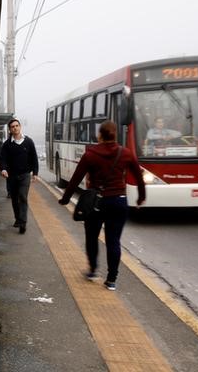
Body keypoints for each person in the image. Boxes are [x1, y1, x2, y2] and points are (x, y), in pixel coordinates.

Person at [58, 121, 146, 291]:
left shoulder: (91, 154)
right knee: (113, 241)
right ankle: (111, 280)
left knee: (92, 237)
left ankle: (92, 270)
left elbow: (76, 178)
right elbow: (139, 177)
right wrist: (141, 198)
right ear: (115, 135)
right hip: (119, 201)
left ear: (100, 135)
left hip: (96, 202)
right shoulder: (126, 153)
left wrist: (65, 199)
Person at [0, 118, 39, 234]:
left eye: (17, 126)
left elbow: (34, 158)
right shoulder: (7, 144)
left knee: (22, 197)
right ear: (10, 130)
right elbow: (3, 159)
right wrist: (4, 169)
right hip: (11, 176)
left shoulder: (28, 141)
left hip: (25, 175)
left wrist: (35, 173)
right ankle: (18, 218)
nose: (15, 128)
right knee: (14, 199)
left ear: (20, 127)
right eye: (12, 127)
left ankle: (23, 223)